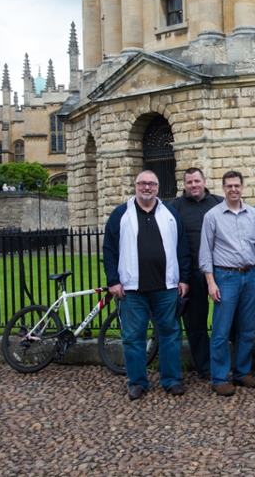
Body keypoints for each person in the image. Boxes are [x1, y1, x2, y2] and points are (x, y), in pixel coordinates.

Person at [103, 170, 190, 400]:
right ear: (135, 186)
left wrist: (183, 278)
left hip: (166, 287)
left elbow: (182, 247)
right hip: (133, 290)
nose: (147, 188)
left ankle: (171, 380)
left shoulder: (170, 213)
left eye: (151, 183)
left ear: (158, 187)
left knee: (170, 334)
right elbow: (109, 250)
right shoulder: (120, 214)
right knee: (133, 337)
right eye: (142, 183)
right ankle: (138, 382)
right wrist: (113, 281)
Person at [199, 170, 255, 397]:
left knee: (247, 329)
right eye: (229, 186)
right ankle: (219, 378)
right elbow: (205, 253)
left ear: (242, 187)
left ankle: (241, 372)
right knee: (221, 329)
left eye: (237, 185)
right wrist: (211, 282)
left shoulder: (253, 214)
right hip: (225, 277)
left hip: (250, 276)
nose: (233, 189)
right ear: (223, 188)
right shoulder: (212, 216)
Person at [168, 168, 224, 379]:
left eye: (197, 181)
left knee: (229, 319)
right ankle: (205, 367)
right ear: (184, 184)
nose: (194, 185)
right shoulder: (175, 207)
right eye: (189, 182)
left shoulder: (218, 202)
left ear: (204, 181)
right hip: (191, 272)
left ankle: (231, 361)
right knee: (196, 323)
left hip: (221, 270)